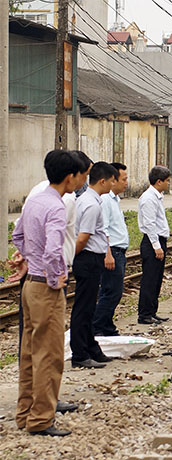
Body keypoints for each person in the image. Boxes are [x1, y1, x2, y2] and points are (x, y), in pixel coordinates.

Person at [12, 150, 83, 436]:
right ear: (70, 177)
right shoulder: (55, 205)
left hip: (30, 285)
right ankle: (41, 418)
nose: (82, 181)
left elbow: (17, 235)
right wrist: (56, 278)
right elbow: (54, 250)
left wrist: (29, 259)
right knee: (50, 355)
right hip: (45, 288)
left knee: (29, 351)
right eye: (81, 176)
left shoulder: (34, 200)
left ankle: (24, 413)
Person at [70, 162, 117, 369]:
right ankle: (79, 354)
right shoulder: (91, 204)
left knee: (89, 308)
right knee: (83, 308)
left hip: (90, 258)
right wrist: (71, 259)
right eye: (113, 180)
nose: (114, 184)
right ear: (103, 181)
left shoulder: (89, 200)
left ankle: (91, 348)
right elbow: (82, 239)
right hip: (88, 258)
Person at [92, 162, 130, 337]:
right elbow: (103, 228)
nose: (126, 182)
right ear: (112, 180)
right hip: (112, 251)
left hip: (118, 251)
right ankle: (98, 326)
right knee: (111, 292)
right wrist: (108, 254)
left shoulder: (115, 199)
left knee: (112, 291)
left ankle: (106, 325)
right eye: (123, 179)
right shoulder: (106, 200)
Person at [137, 166, 172, 325]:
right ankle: (144, 314)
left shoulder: (157, 196)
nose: (169, 183)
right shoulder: (149, 198)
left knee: (157, 279)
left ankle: (152, 311)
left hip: (158, 240)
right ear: (159, 182)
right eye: (167, 181)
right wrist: (156, 246)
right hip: (152, 242)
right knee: (150, 280)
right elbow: (149, 224)